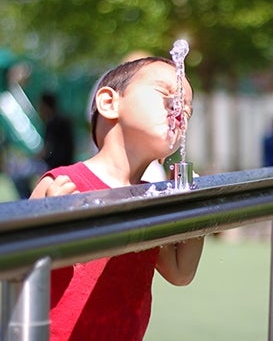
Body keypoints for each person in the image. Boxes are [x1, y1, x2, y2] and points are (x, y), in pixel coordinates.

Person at [30, 56, 204, 340]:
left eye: (188, 109)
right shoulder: (64, 185)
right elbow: (19, 270)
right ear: (109, 103)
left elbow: (180, 272)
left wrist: (194, 211)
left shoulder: (151, 197)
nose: (179, 109)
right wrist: (48, 225)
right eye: (166, 94)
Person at [37, 91, 75, 169]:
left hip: (54, 165)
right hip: (68, 164)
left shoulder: (52, 124)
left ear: (45, 106)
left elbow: (48, 149)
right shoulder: (64, 121)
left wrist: (36, 157)